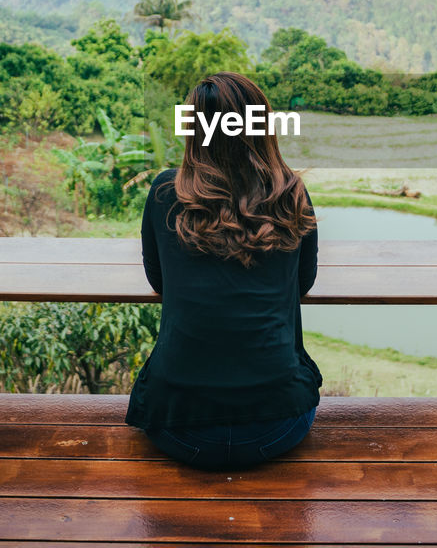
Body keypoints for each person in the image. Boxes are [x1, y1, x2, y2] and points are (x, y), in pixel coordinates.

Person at [125, 71, 321, 470]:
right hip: (278, 425)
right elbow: (304, 283)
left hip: (178, 427)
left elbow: (158, 280)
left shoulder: (166, 193)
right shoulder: (291, 193)